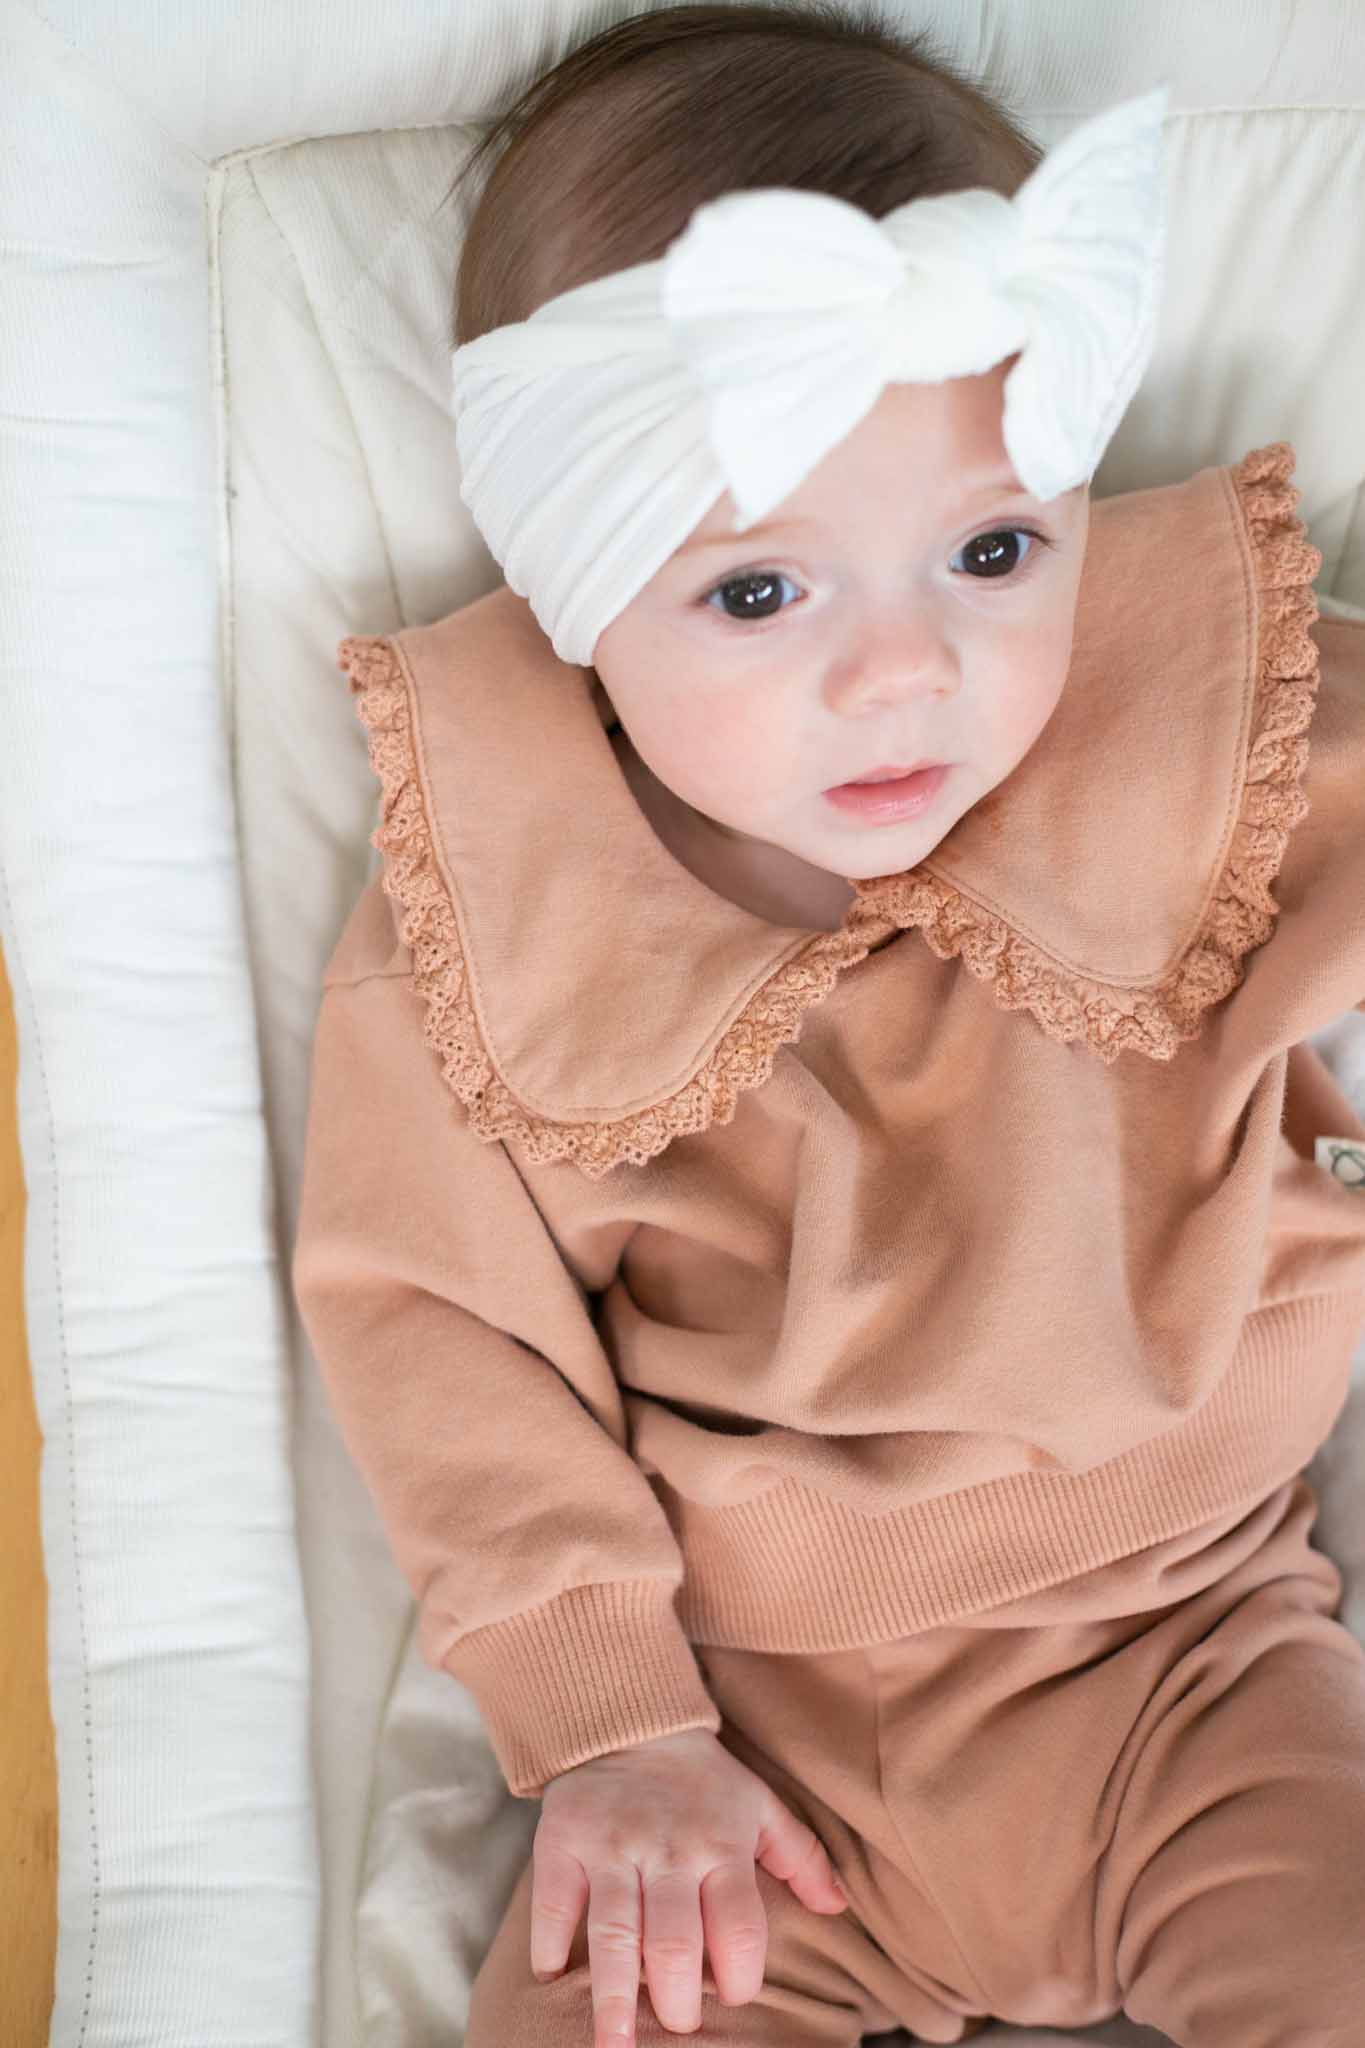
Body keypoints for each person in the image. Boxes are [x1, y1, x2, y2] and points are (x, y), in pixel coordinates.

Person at [290, 6, 1365, 2044]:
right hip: (734, 1767)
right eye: (759, 595)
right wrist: (608, 1721)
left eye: (989, 551)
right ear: (574, 588)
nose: (903, 674)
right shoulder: (484, 906)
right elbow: (434, 1332)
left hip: (1194, 1652)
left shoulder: (1194, 728)